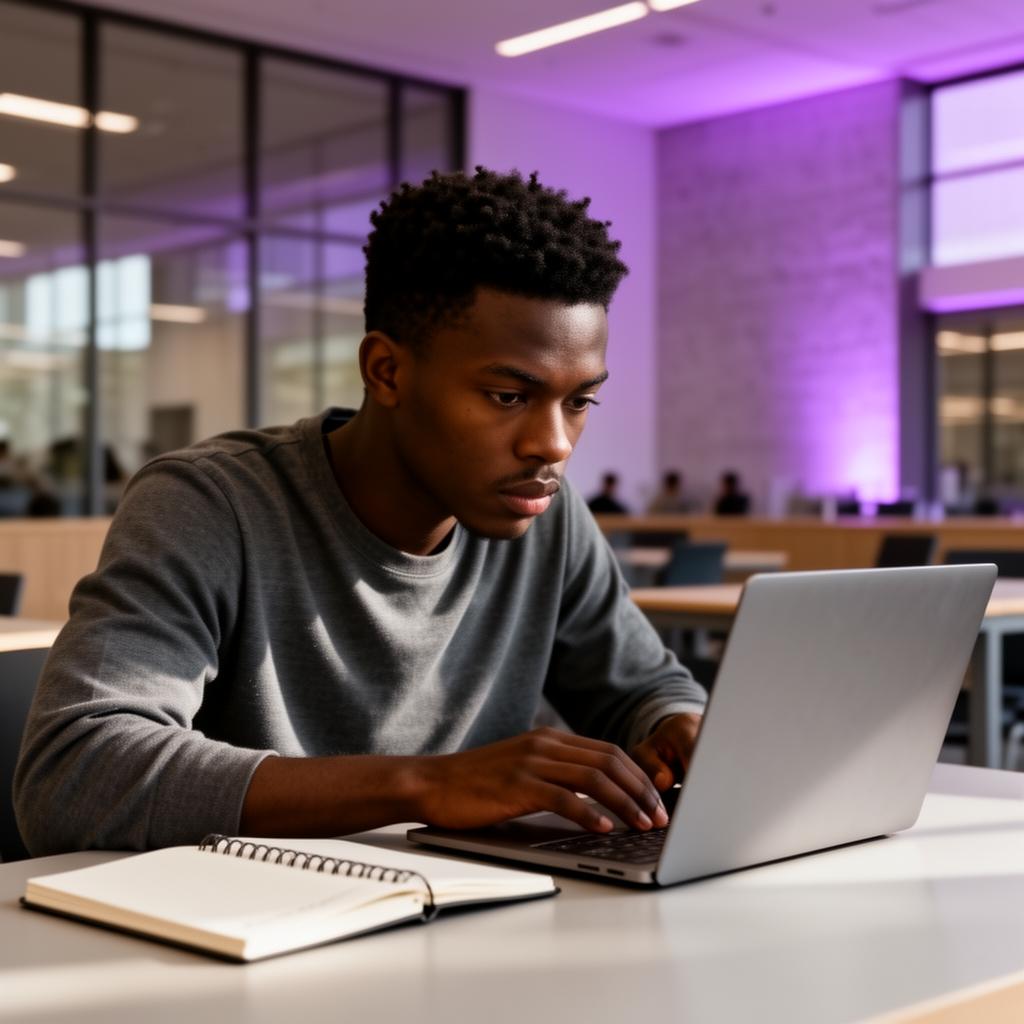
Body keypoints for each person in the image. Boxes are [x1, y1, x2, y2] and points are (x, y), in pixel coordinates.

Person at [15, 167, 706, 856]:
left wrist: (680, 725)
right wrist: (422, 786)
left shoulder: (545, 516)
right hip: (250, 932)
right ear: (386, 371)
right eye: (507, 396)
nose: (552, 444)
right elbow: (77, 774)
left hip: (475, 919)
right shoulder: (209, 505)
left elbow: (644, 687)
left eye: (579, 401)